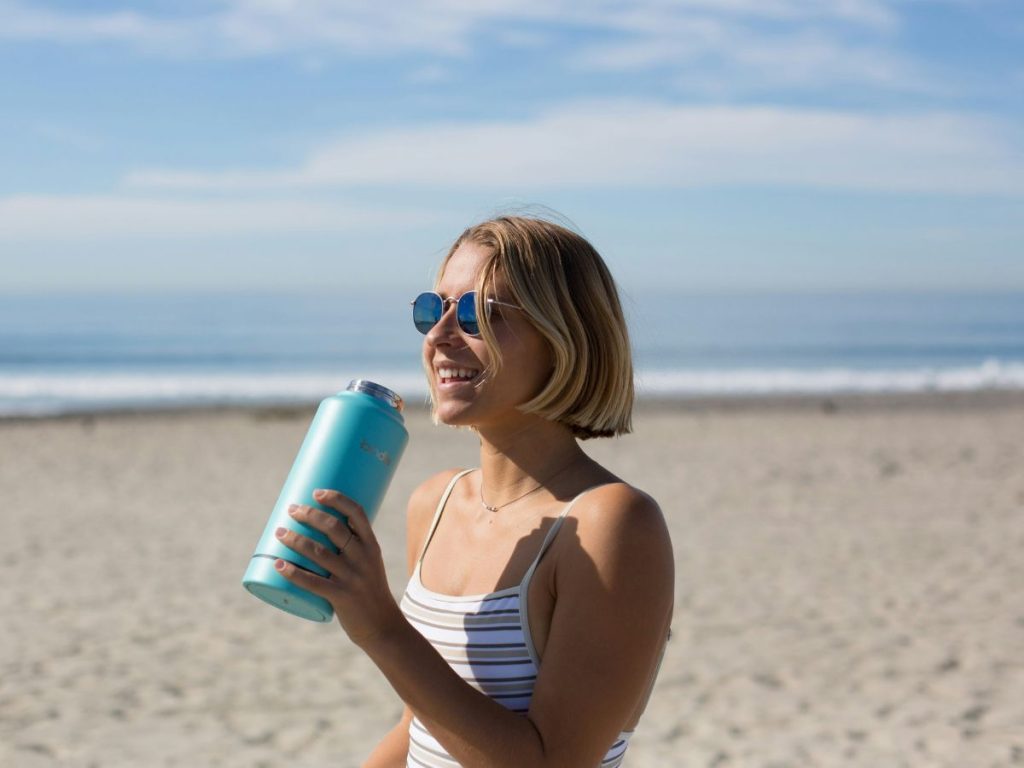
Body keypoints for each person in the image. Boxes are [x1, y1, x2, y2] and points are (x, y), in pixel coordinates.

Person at [273, 214, 674, 767]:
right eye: (432, 310)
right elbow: (425, 727)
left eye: (478, 315)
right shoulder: (435, 502)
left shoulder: (613, 522)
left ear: (564, 337)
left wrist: (382, 629)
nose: (438, 337)